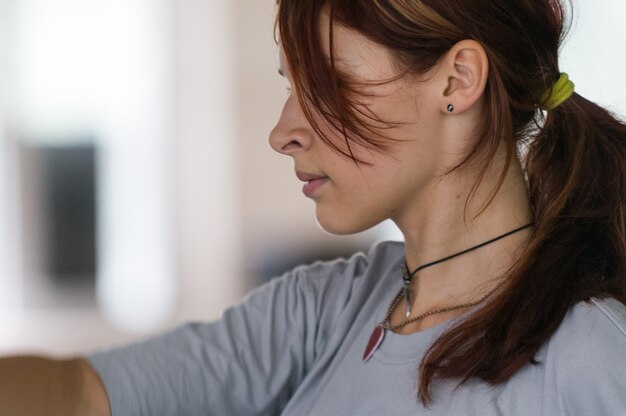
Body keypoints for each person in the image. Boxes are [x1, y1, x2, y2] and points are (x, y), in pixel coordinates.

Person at [2, 0, 626, 414]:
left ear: (457, 80)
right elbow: (84, 394)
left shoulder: (588, 358)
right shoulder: (321, 313)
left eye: (326, 84)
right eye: (290, 86)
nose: (282, 132)